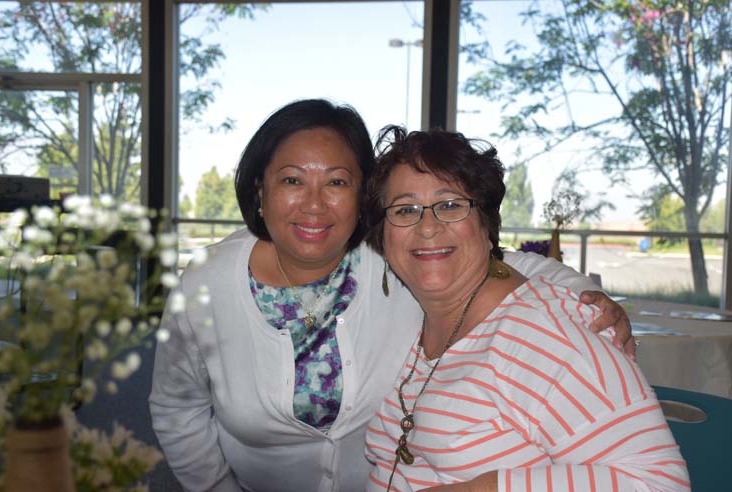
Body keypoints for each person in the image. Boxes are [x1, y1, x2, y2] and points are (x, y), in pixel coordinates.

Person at [149, 99, 635, 492]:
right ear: (260, 191)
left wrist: (587, 296)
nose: (315, 203)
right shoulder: (206, 284)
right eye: (292, 180)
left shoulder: (395, 254)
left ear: (363, 194)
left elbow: (498, 259)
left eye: (337, 181)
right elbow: (177, 408)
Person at [363, 126, 688, 492]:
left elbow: (658, 483)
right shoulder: (420, 322)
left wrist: (479, 489)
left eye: (450, 205)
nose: (427, 228)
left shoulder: (544, 334)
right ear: (383, 237)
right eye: (405, 210)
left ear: (486, 224)